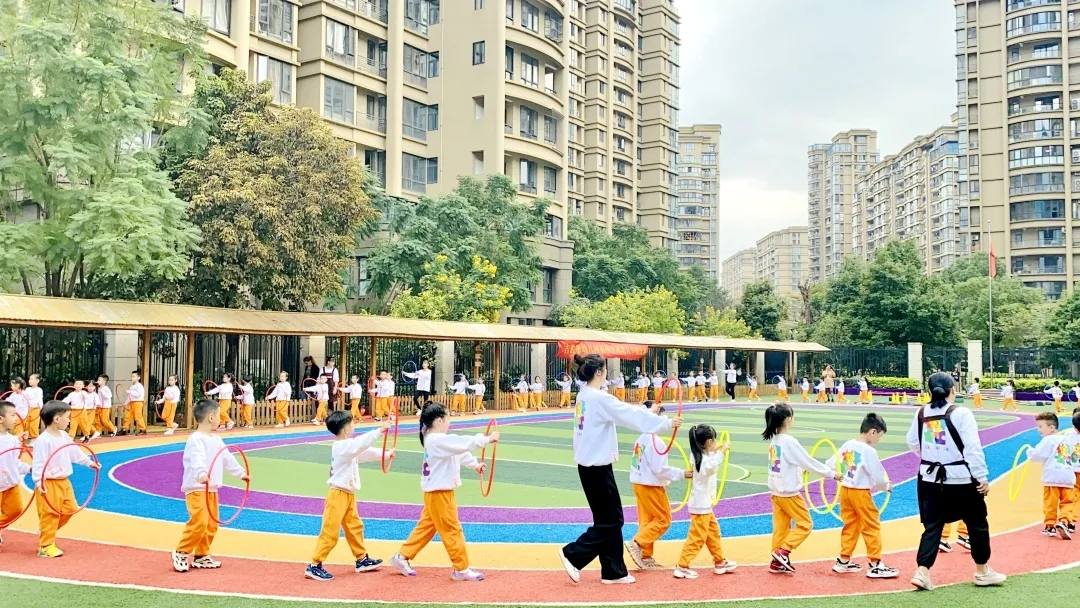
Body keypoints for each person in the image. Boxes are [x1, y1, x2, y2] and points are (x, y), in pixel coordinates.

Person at [558, 353, 682, 585]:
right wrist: (665, 423)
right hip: (596, 467)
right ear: (599, 372)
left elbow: (622, 411)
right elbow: (626, 414)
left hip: (591, 466)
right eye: (605, 370)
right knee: (611, 521)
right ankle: (573, 554)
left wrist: (648, 413)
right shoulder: (598, 398)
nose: (607, 374)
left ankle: (614, 570)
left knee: (610, 519)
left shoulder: (585, 395)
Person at [905, 371, 1005, 591]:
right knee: (977, 523)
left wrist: (933, 457)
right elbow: (972, 448)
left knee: (932, 526)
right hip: (961, 480)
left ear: (930, 391)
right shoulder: (962, 413)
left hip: (929, 478)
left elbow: (912, 442)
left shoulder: (921, 412)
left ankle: (922, 571)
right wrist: (981, 477)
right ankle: (982, 571)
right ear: (953, 389)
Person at [390, 402, 497, 581]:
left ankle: (402, 557)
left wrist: (475, 465)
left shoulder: (435, 439)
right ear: (439, 420)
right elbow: (461, 443)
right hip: (440, 493)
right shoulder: (437, 439)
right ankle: (461, 569)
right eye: (448, 418)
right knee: (452, 529)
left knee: (426, 527)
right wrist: (486, 439)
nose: (449, 422)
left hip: (436, 492)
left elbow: (458, 452)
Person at [304, 411, 390, 581]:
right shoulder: (343, 446)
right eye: (352, 424)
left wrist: (385, 454)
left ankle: (361, 559)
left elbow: (362, 452)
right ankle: (315, 565)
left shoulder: (347, 447)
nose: (354, 426)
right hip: (338, 494)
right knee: (330, 531)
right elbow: (360, 444)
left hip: (347, 494)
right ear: (345, 430)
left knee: (355, 526)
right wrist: (379, 431)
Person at [171, 400, 248, 572]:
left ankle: (202, 555)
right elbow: (196, 458)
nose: (221, 418)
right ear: (211, 417)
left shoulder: (216, 439)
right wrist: (201, 474)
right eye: (219, 415)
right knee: (200, 521)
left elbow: (227, 458)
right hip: (197, 488)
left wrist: (240, 473)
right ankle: (182, 551)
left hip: (211, 488)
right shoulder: (196, 439)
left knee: (211, 524)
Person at [763, 403, 840, 574]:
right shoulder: (789, 441)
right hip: (789, 494)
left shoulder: (775, 440)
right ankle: (783, 551)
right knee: (805, 524)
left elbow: (788, 463)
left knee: (781, 529)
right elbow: (808, 461)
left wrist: (799, 469)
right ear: (788, 419)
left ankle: (777, 560)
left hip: (776, 492)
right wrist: (831, 474)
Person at [827, 413, 898, 578]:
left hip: (845, 491)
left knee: (850, 525)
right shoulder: (869, 451)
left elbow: (831, 463)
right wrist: (887, 486)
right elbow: (878, 476)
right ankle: (875, 564)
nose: (878, 441)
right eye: (879, 437)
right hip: (860, 492)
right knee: (871, 525)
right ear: (873, 432)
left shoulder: (848, 444)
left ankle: (843, 560)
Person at [32, 399, 102, 557]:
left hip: (64, 481)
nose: (69, 420)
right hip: (48, 483)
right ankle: (45, 546)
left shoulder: (63, 435)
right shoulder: (43, 441)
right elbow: (39, 464)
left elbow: (74, 452)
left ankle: (46, 531)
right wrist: (39, 482)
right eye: (67, 417)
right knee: (50, 514)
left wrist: (89, 463)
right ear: (56, 419)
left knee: (70, 509)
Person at [625, 401, 687, 571]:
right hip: (651, 485)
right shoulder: (655, 441)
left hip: (638, 483)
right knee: (663, 520)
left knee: (647, 520)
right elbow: (660, 470)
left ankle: (645, 555)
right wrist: (682, 473)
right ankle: (637, 543)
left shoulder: (642, 437)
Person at [673, 424, 735, 579]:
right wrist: (721, 451)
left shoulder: (699, 454)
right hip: (701, 505)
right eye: (713, 440)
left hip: (704, 504)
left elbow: (709, 457)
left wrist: (717, 448)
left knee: (713, 533)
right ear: (708, 442)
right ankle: (682, 565)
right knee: (697, 537)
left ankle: (719, 561)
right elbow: (710, 466)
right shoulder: (702, 461)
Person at [1026, 412, 1075, 539]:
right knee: (1068, 502)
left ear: (1051, 427)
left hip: (1052, 477)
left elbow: (1038, 455)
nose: (1039, 430)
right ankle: (1064, 521)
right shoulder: (1066, 439)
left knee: (1050, 503)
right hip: (1068, 476)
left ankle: (1050, 526)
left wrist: (1029, 451)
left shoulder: (1047, 440)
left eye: (1041, 427)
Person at [0, 400, 30, 543]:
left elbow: (14, 462)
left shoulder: (13, 441)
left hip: (10, 484)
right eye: (12, 415)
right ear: (1, 419)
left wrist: (30, 469)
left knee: (16, 510)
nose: (16, 418)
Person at [25, 374, 44, 440]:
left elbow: (39, 400)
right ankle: (26, 438)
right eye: (29, 379)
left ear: (37, 381)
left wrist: (41, 409)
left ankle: (34, 438)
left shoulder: (39, 390)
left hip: (35, 409)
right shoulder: (26, 389)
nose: (30, 381)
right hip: (27, 409)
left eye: (32, 379)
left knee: (34, 425)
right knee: (26, 424)